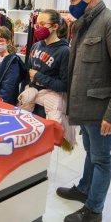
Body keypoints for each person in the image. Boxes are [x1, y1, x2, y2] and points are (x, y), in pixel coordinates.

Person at [56, 0, 111, 222]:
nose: (71, 4)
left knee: (101, 159)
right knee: (91, 153)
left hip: (101, 110)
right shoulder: (84, 23)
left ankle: (94, 210)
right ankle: (84, 189)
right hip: (85, 107)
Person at [17, 9, 76, 150]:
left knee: (43, 144)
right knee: (28, 138)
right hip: (31, 99)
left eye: (42, 24)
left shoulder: (64, 51)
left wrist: (39, 77)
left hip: (47, 105)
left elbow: (65, 85)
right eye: (37, 25)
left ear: (55, 26)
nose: (38, 28)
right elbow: (28, 74)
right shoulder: (36, 45)